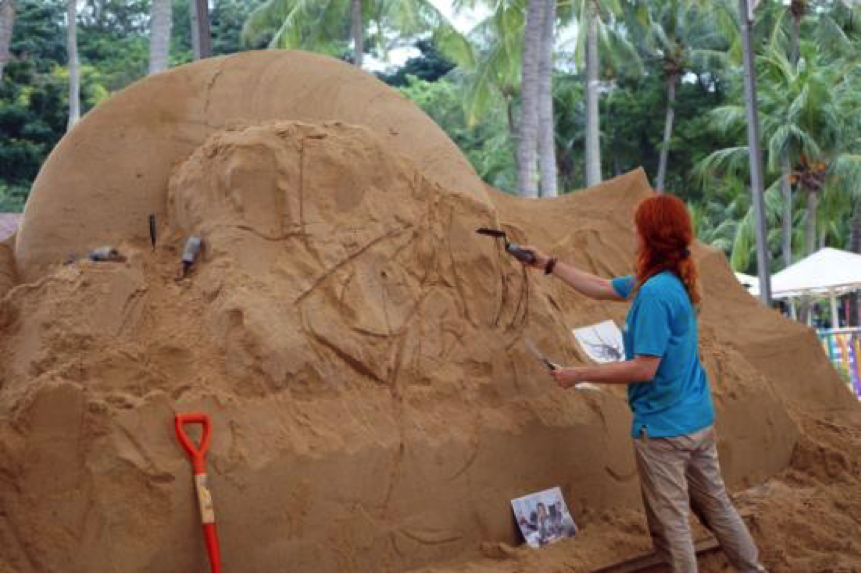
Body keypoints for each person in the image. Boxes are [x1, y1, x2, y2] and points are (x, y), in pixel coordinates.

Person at [521, 195, 766, 574]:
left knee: (671, 528)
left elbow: (643, 369)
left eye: (638, 225)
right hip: (694, 419)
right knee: (717, 506)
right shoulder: (668, 280)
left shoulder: (653, 294)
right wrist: (548, 264)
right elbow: (603, 287)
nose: (632, 230)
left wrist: (579, 374)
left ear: (652, 234)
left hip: (664, 430)